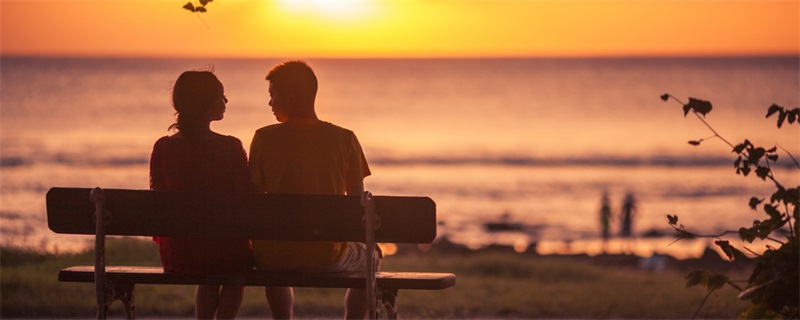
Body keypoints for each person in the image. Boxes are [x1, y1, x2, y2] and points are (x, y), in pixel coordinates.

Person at [249, 61, 375, 319]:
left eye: (273, 95)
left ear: (291, 98)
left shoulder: (263, 138)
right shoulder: (345, 139)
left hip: (272, 257)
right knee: (371, 256)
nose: (269, 102)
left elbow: (255, 201)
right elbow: (356, 205)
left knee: (277, 251)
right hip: (326, 257)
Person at [150, 70, 254, 319]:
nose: (226, 101)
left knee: (208, 259)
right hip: (226, 252)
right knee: (234, 270)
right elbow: (245, 200)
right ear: (205, 102)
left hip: (181, 254)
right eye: (221, 96)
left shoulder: (163, 148)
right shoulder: (230, 148)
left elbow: (158, 200)